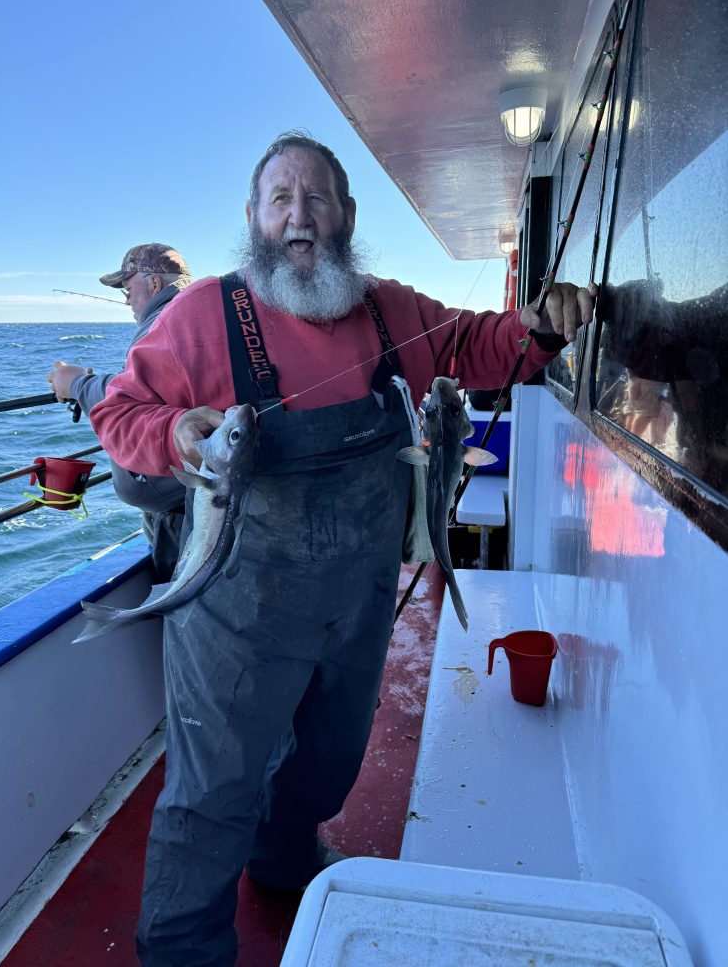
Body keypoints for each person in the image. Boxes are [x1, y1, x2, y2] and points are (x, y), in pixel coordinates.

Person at [90, 133, 595, 967]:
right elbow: (119, 412)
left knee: (329, 767)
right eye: (281, 199)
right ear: (254, 219)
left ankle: (284, 862)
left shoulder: (388, 307)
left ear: (348, 215)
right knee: (213, 790)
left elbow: (474, 346)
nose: (300, 218)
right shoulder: (201, 315)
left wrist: (536, 330)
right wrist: (177, 429)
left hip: (355, 604)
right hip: (234, 616)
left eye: (317, 197)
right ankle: (183, 946)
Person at [47, 244, 192, 580]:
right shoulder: (190, 316)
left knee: (183, 601)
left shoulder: (165, 323)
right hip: (187, 499)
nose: (126, 301)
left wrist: (79, 385)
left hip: (184, 511)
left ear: (154, 284)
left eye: (128, 290)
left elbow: (137, 403)